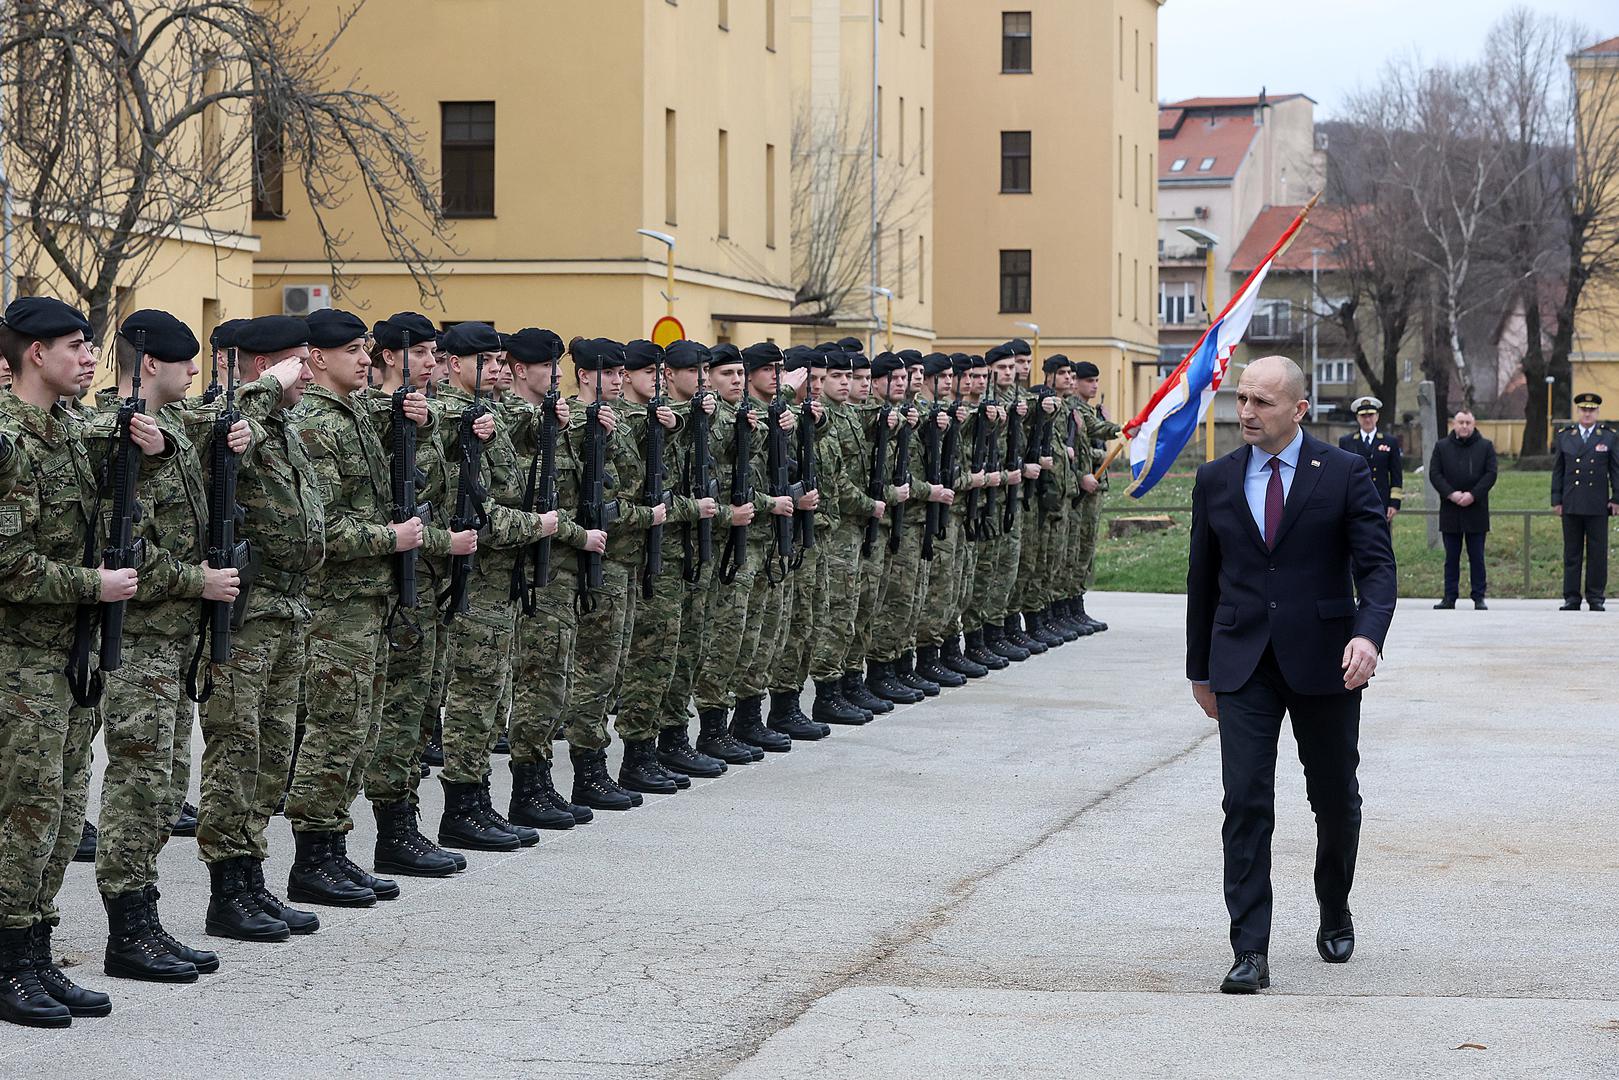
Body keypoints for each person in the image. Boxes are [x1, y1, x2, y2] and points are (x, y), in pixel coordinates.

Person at [1186, 354, 1396, 995]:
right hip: (1242, 663)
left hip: (1327, 660)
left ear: (1298, 409)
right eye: (1242, 399)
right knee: (1246, 801)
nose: (1245, 412)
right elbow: (1202, 581)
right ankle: (1249, 947)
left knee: (1334, 799)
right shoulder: (1216, 479)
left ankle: (1334, 903)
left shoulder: (1343, 471)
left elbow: (1378, 568)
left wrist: (1368, 635)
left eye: (1261, 402)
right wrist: (1200, 670)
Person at [0, 296, 148, 1026]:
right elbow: (6, 564)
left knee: (59, 817)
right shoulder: (9, 439)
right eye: (76, 346)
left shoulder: (64, 431)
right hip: (17, 664)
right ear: (35, 353)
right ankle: (6, 965)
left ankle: (34, 953)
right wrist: (92, 584)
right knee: (22, 817)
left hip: (65, 655)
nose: (90, 357)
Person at [1551, 392, 1619, 611]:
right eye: (1583, 409)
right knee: (1572, 552)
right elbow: (1558, 470)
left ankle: (1596, 596)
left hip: (1598, 503)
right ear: (1578, 411)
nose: (1587, 413)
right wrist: (1556, 500)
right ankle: (1571, 597)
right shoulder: (1564, 435)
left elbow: (1615, 470)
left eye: (1591, 410)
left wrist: (1616, 498)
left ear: (1597, 412)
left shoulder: (1608, 436)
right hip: (1571, 501)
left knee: (1598, 553)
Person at [1428, 411, 1497, 610]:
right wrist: (1451, 494)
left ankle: (1479, 596)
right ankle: (1449, 597)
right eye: (1461, 422)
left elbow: (1491, 474)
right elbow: (1435, 473)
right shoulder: (1442, 447)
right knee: (1451, 557)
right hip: (1451, 509)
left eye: (1468, 422)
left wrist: (1473, 495)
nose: (1464, 426)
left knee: (1477, 556)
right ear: (1454, 424)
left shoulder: (1485, 446)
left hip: (1476, 509)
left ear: (1474, 424)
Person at [1338, 396, 1403, 523]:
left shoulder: (1390, 441)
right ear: (1357, 418)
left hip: (1381, 501)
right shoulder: (1347, 442)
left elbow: (1396, 475)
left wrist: (1394, 503)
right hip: (1354, 500)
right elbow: (1342, 475)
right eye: (1363, 416)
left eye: (1371, 415)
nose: (1367, 419)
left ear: (1377, 416)